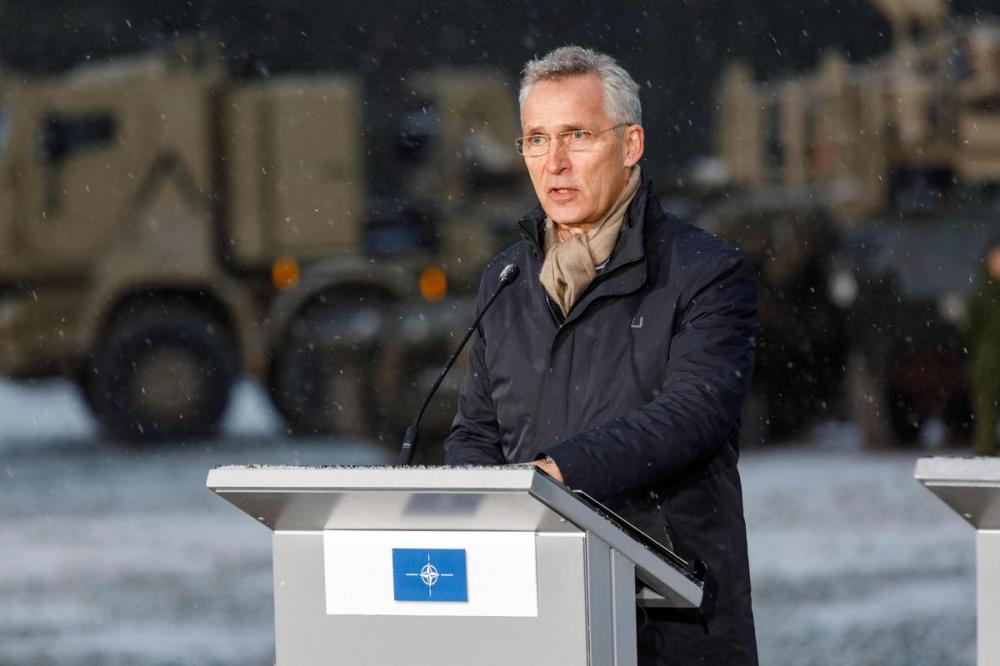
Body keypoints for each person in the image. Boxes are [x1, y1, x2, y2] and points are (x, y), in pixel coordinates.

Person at [443, 46, 758, 664]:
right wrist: (470, 498)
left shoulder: (704, 271)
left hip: (670, 619)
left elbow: (693, 413)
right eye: (536, 139)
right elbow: (476, 432)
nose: (554, 163)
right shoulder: (505, 278)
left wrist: (557, 475)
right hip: (531, 611)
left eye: (576, 136)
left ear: (631, 143)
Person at [967, 236, 1000, 456]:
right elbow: (971, 328)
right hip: (989, 363)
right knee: (986, 415)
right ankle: (985, 455)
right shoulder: (982, 292)